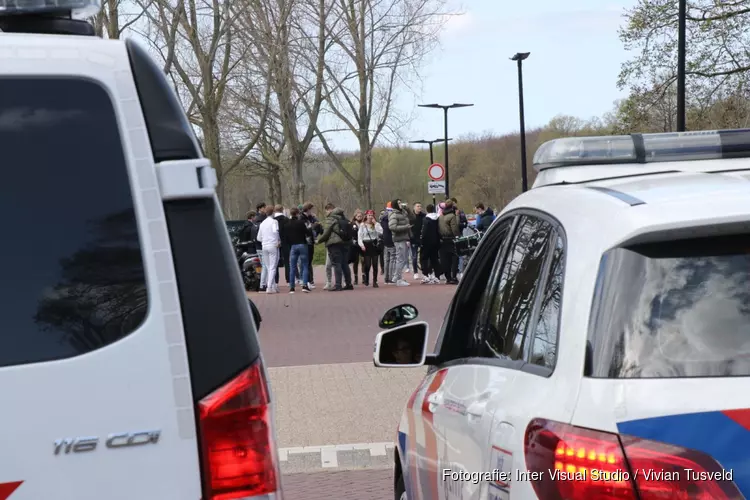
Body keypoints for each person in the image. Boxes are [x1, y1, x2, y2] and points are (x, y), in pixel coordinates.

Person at [317, 203, 353, 291]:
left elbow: (326, 233)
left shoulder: (330, 218)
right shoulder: (344, 218)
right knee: (344, 264)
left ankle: (338, 285)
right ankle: (348, 284)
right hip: (345, 243)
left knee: (337, 264)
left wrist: (318, 241)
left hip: (334, 244)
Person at [284, 207, 312, 293]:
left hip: (293, 246)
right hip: (302, 245)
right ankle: (304, 285)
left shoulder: (287, 224)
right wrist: (309, 228)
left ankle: (292, 288)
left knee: (292, 267)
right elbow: (308, 233)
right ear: (297, 214)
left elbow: (286, 237)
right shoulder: (301, 223)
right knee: (304, 265)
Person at [388, 199, 413, 287]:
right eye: (398, 203)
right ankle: (398, 279)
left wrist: (408, 209)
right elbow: (392, 227)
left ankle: (397, 277)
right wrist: (405, 227)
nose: (401, 204)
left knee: (403, 259)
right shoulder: (394, 214)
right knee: (401, 259)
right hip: (399, 239)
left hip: (404, 238)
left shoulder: (403, 212)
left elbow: (412, 218)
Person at [256, 205, 281, 293]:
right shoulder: (274, 222)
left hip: (264, 246)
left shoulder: (262, 223)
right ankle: (269, 287)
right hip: (273, 245)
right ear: (273, 212)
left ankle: (273, 286)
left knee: (267, 266)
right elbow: (275, 232)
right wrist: (277, 241)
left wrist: (265, 240)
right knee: (273, 267)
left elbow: (258, 237)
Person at [358, 210, 383, 287]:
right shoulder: (362, 225)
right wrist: (362, 245)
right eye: (369, 215)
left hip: (374, 245)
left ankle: (375, 281)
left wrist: (375, 223)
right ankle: (367, 278)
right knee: (367, 264)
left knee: (375, 264)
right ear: (366, 216)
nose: (370, 217)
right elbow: (359, 236)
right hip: (366, 244)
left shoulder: (376, 224)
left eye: (371, 215)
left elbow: (381, 232)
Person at [438, 199, 460, 284]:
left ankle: (448, 278)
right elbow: (455, 228)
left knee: (445, 259)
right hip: (451, 239)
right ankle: (453, 277)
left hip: (442, 240)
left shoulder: (440, 216)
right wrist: (457, 236)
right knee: (455, 258)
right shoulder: (452, 216)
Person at [420, 203, 442, 284]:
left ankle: (425, 275)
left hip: (427, 242)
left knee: (423, 258)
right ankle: (437, 276)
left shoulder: (426, 219)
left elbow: (424, 232)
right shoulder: (438, 218)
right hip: (436, 241)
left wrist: (422, 241)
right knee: (435, 259)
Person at [300, 202, 320, 288]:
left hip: (310, 242)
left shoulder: (311, 217)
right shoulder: (302, 218)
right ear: (307, 210)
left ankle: (310, 280)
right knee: (305, 262)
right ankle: (306, 281)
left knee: (309, 262)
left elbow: (317, 227)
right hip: (305, 242)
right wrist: (313, 226)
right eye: (311, 209)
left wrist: (317, 225)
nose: (312, 211)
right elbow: (306, 229)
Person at [273, 205, 291, 286]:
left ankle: (276, 281)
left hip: (275, 243)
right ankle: (288, 280)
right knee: (287, 262)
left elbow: (273, 232)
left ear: (275, 210)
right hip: (286, 243)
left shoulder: (273, 220)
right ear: (282, 210)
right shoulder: (287, 220)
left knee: (275, 262)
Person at [381, 203, 396, 284]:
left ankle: (386, 278)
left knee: (387, 260)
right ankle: (391, 277)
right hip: (391, 239)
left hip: (385, 239)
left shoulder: (382, 217)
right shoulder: (391, 217)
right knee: (392, 259)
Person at [410, 202, 424, 280]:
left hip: (422, 238)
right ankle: (415, 272)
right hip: (413, 239)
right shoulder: (411, 216)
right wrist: (408, 239)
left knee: (422, 256)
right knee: (414, 256)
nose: (419, 207)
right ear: (414, 208)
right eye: (418, 206)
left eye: (420, 206)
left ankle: (424, 271)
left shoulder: (423, 216)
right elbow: (408, 228)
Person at [349, 209, 364, 285]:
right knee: (356, 261)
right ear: (355, 216)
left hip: (363, 244)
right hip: (354, 245)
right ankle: (355, 278)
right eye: (358, 216)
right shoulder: (352, 224)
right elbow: (350, 234)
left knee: (363, 260)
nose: (359, 217)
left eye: (361, 216)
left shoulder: (364, 224)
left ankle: (364, 277)